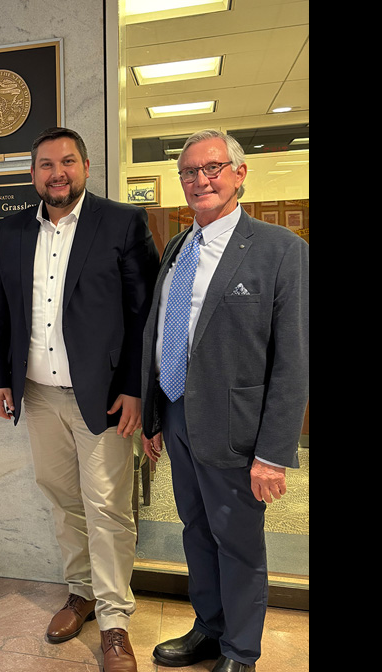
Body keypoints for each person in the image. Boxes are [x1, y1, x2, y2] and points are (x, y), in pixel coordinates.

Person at [0, 127, 157, 672]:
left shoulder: (122, 222)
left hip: (103, 398)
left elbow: (144, 315)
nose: (57, 173)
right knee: (62, 498)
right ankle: (81, 592)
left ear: (85, 165)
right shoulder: (11, 230)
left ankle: (115, 619)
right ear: (33, 173)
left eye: (67, 162)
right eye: (45, 164)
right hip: (36, 394)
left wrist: (135, 388)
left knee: (106, 506)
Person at [140, 129, 309, 672]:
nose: (200, 180)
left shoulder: (281, 250)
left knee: (237, 541)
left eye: (212, 168)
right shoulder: (178, 247)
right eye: (189, 172)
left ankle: (240, 650)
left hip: (238, 428)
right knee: (195, 530)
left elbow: (293, 360)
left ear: (239, 173)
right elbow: (163, 332)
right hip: (178, 413)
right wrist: (154, 416)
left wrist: (273, 453)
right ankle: (209, 628)